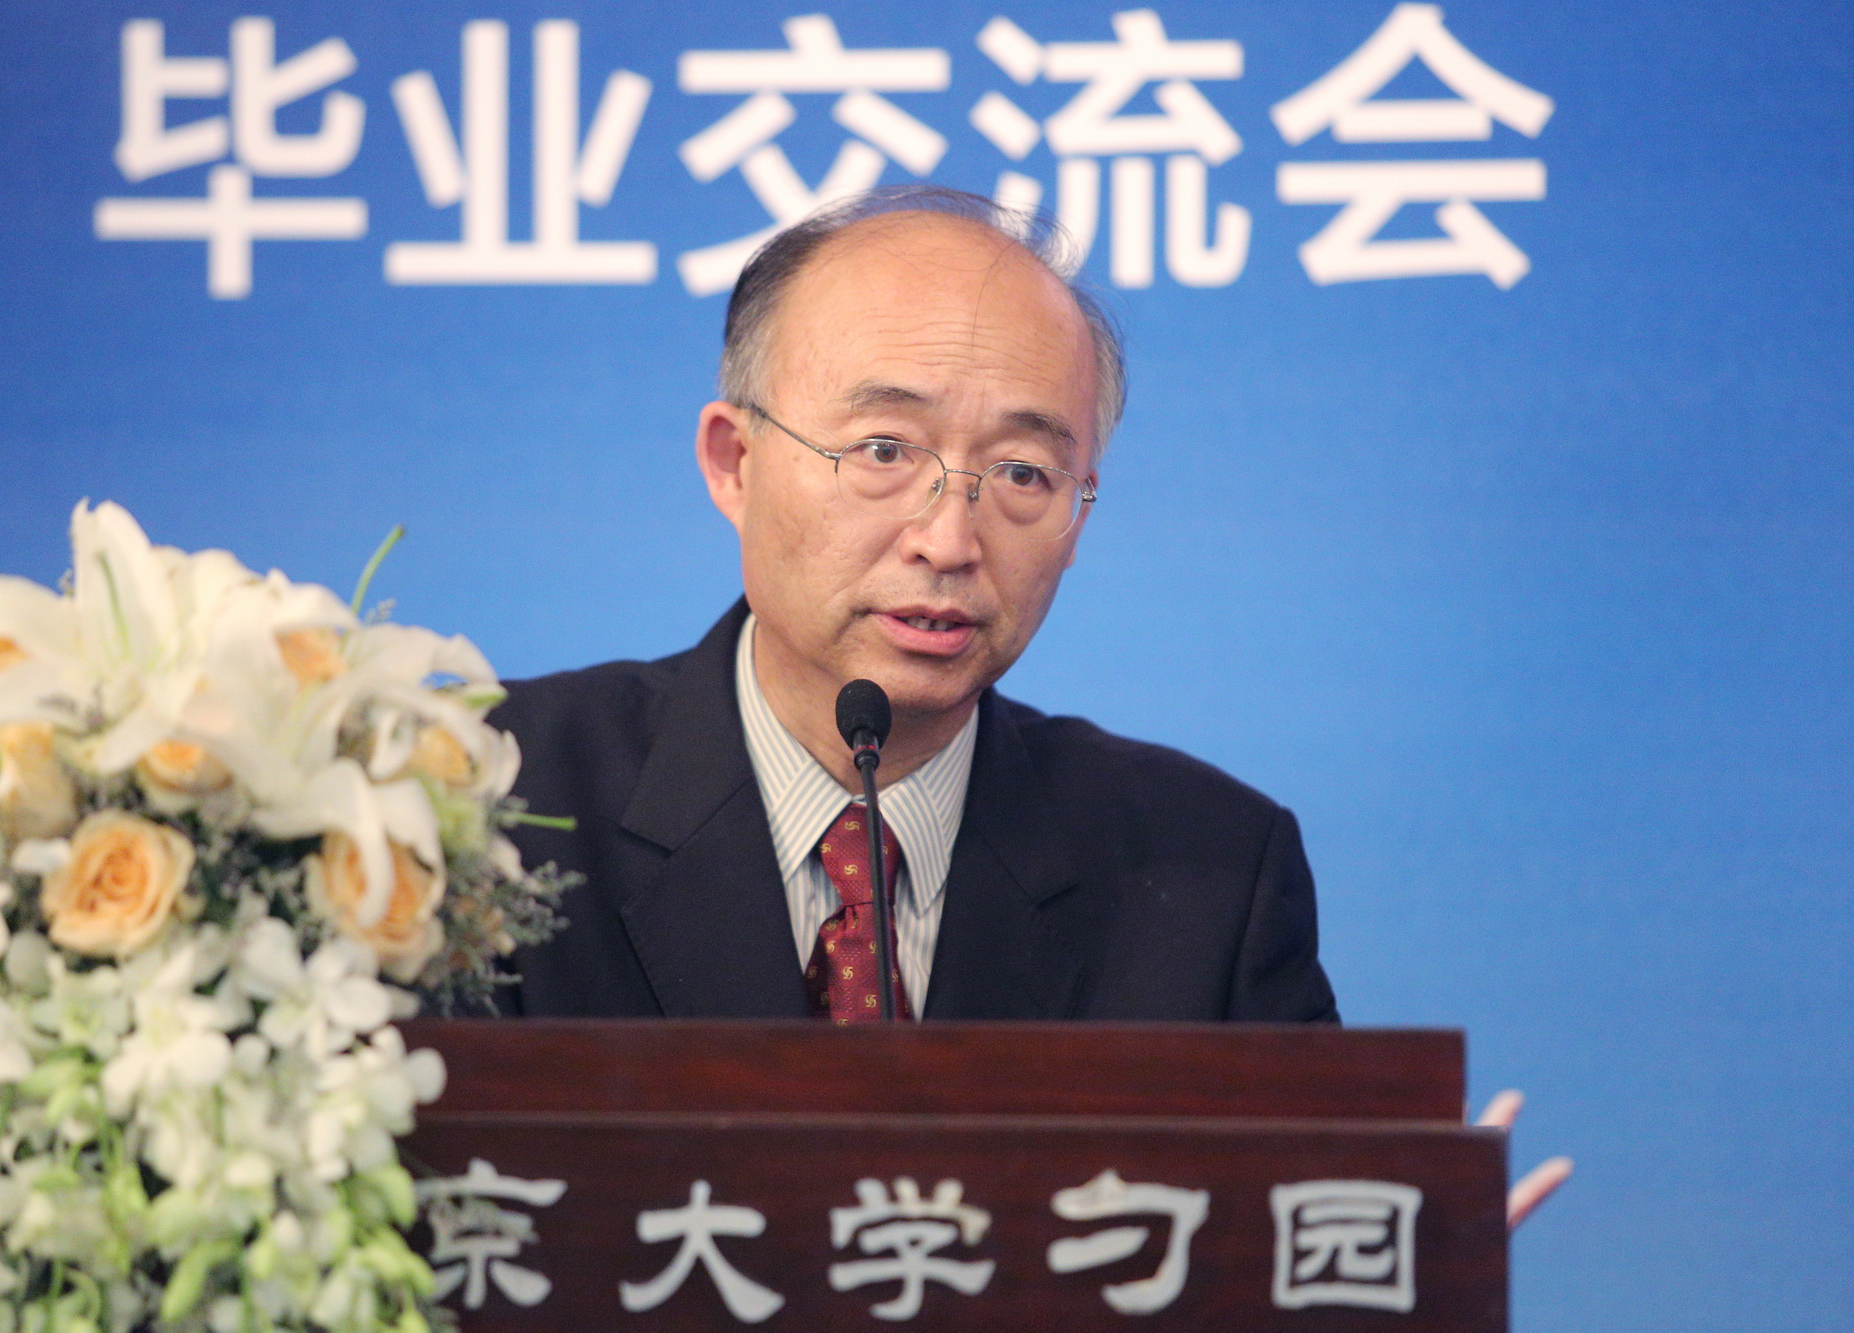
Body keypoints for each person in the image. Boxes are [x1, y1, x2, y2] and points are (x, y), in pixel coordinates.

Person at [489, 186, 1335, 1025]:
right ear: (734, 463)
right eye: (884, 450)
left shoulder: (1215, 878)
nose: (949, 541)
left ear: (1078, 517)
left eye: (1022, 473)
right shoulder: (492, 800)